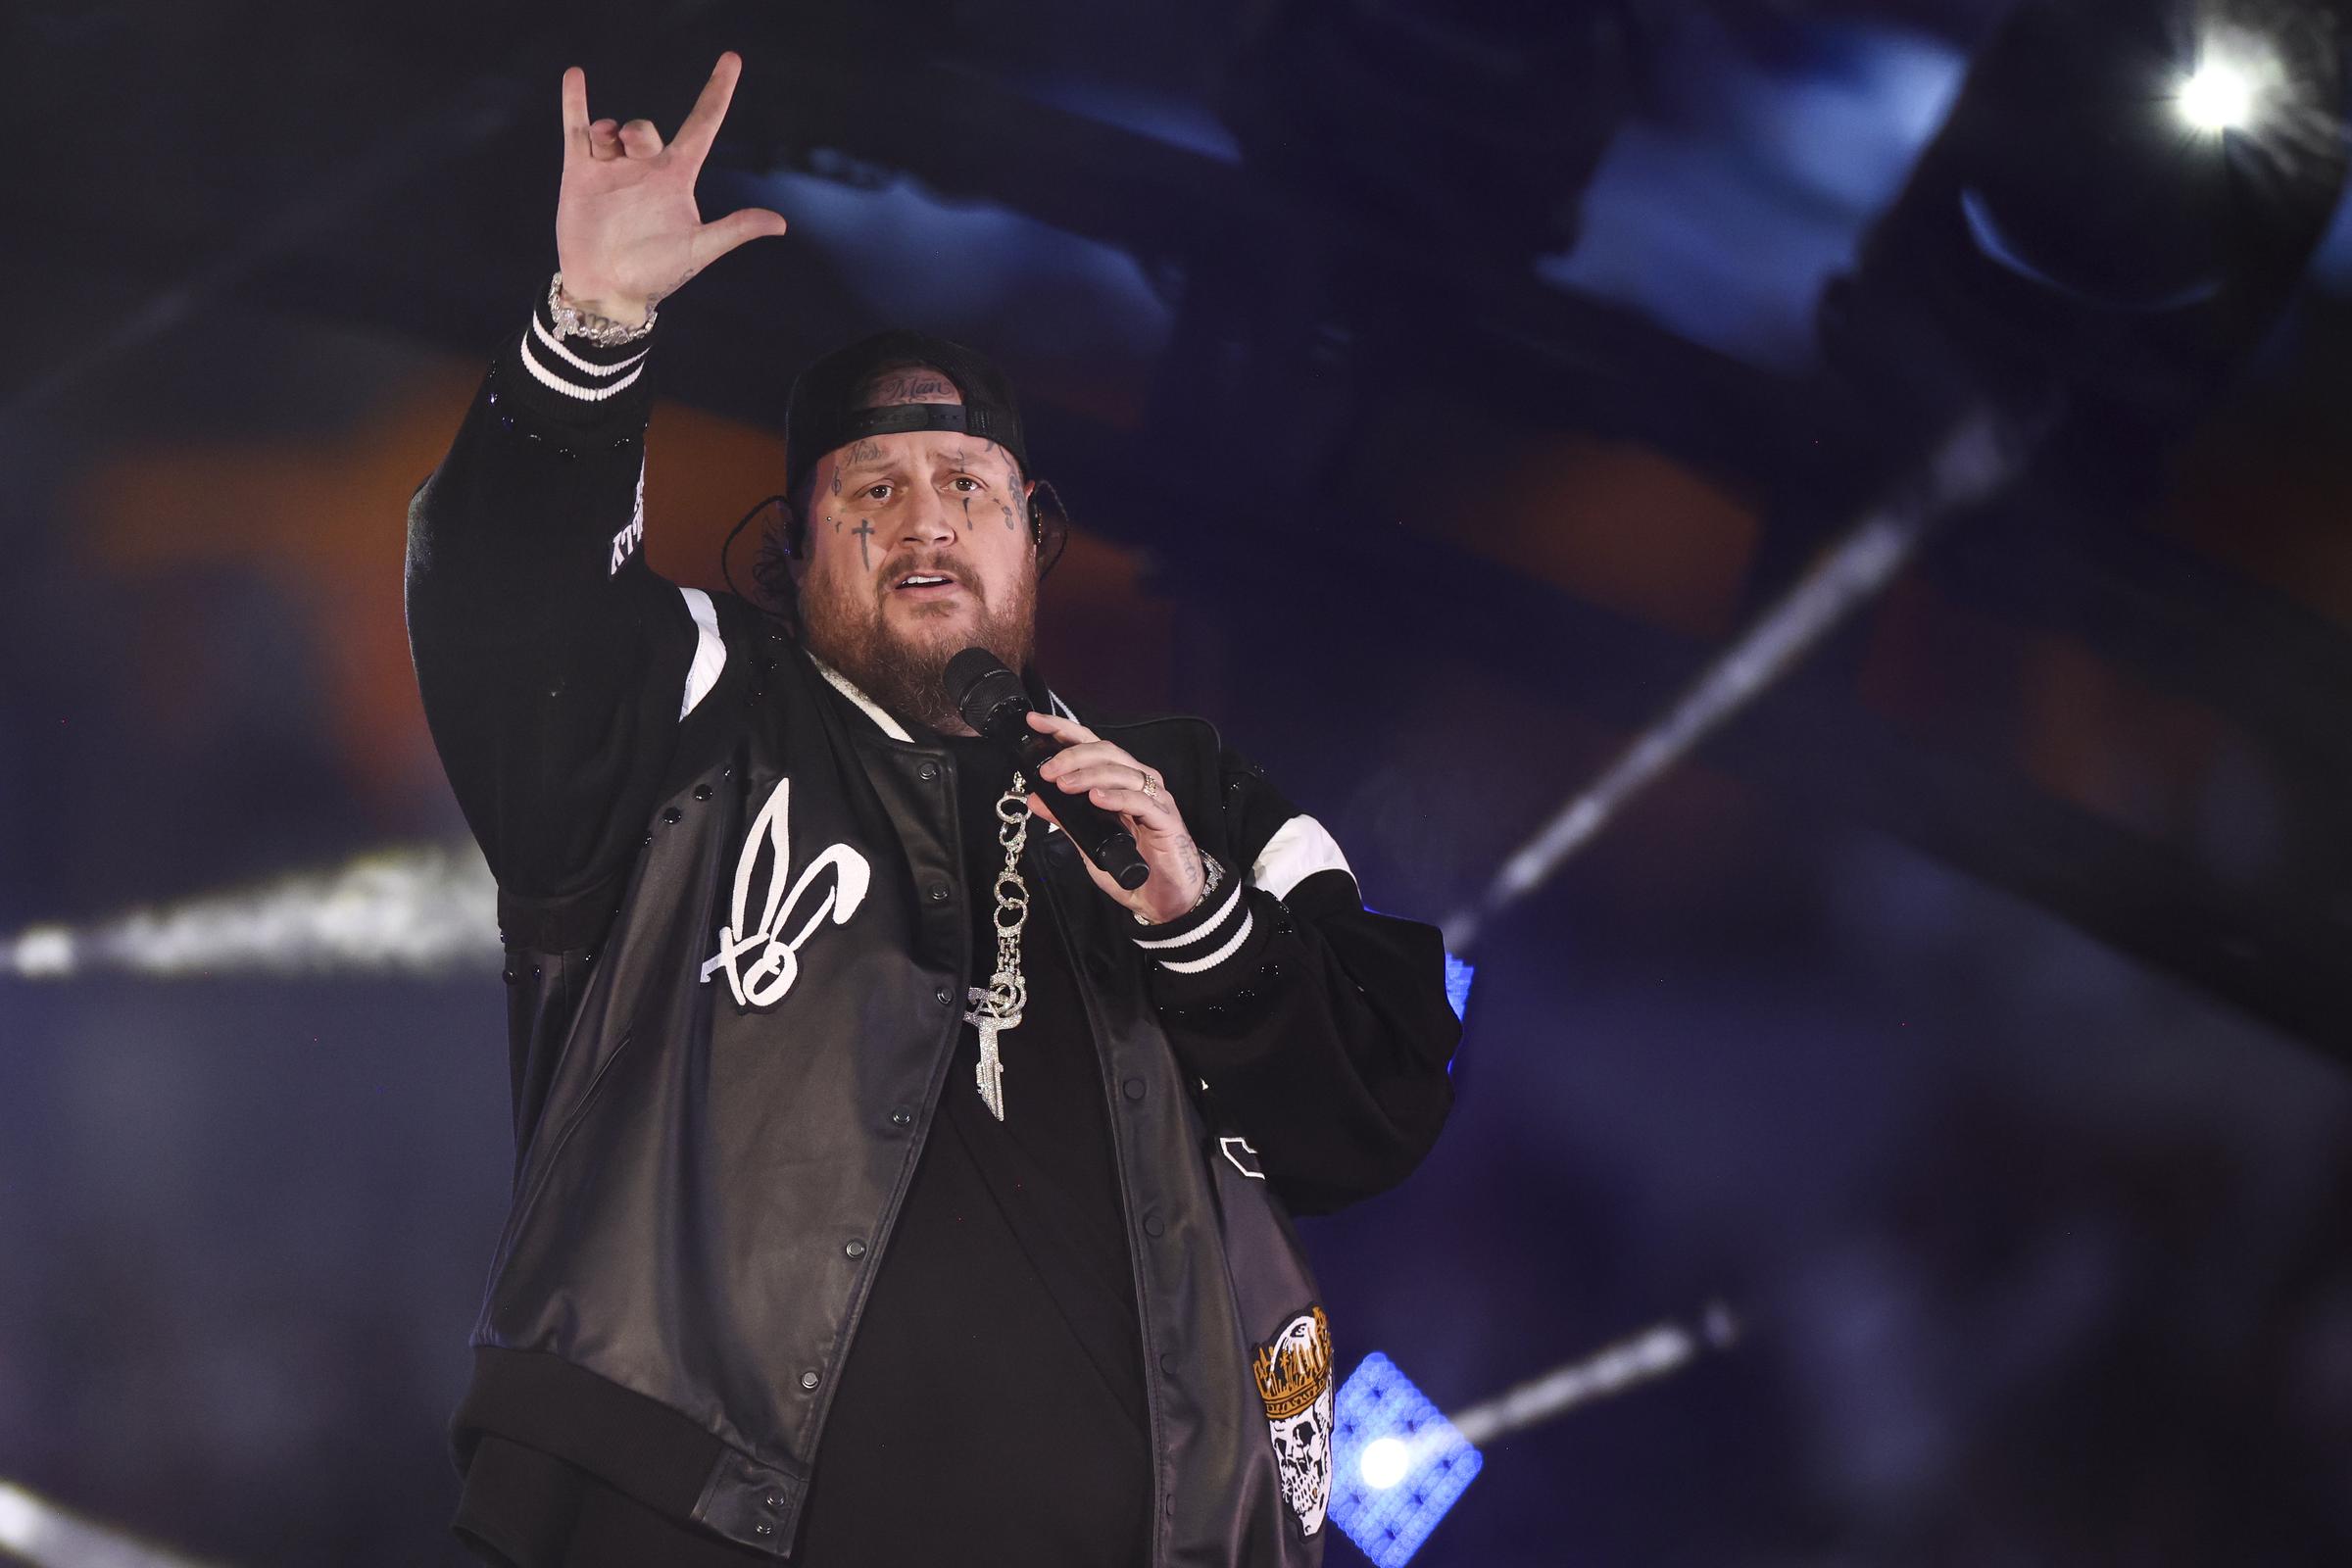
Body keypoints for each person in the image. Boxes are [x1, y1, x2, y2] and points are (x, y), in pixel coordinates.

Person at [404, 49, 1461, 1566]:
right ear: (799, 552)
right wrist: (594, 326)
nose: (923, 522)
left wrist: (1201, 925)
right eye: (870, 492)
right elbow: (503, 616)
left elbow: (1383, 1103)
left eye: (965, 484)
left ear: (1033, 542)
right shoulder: (706, 714)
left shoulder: (1191, 791)